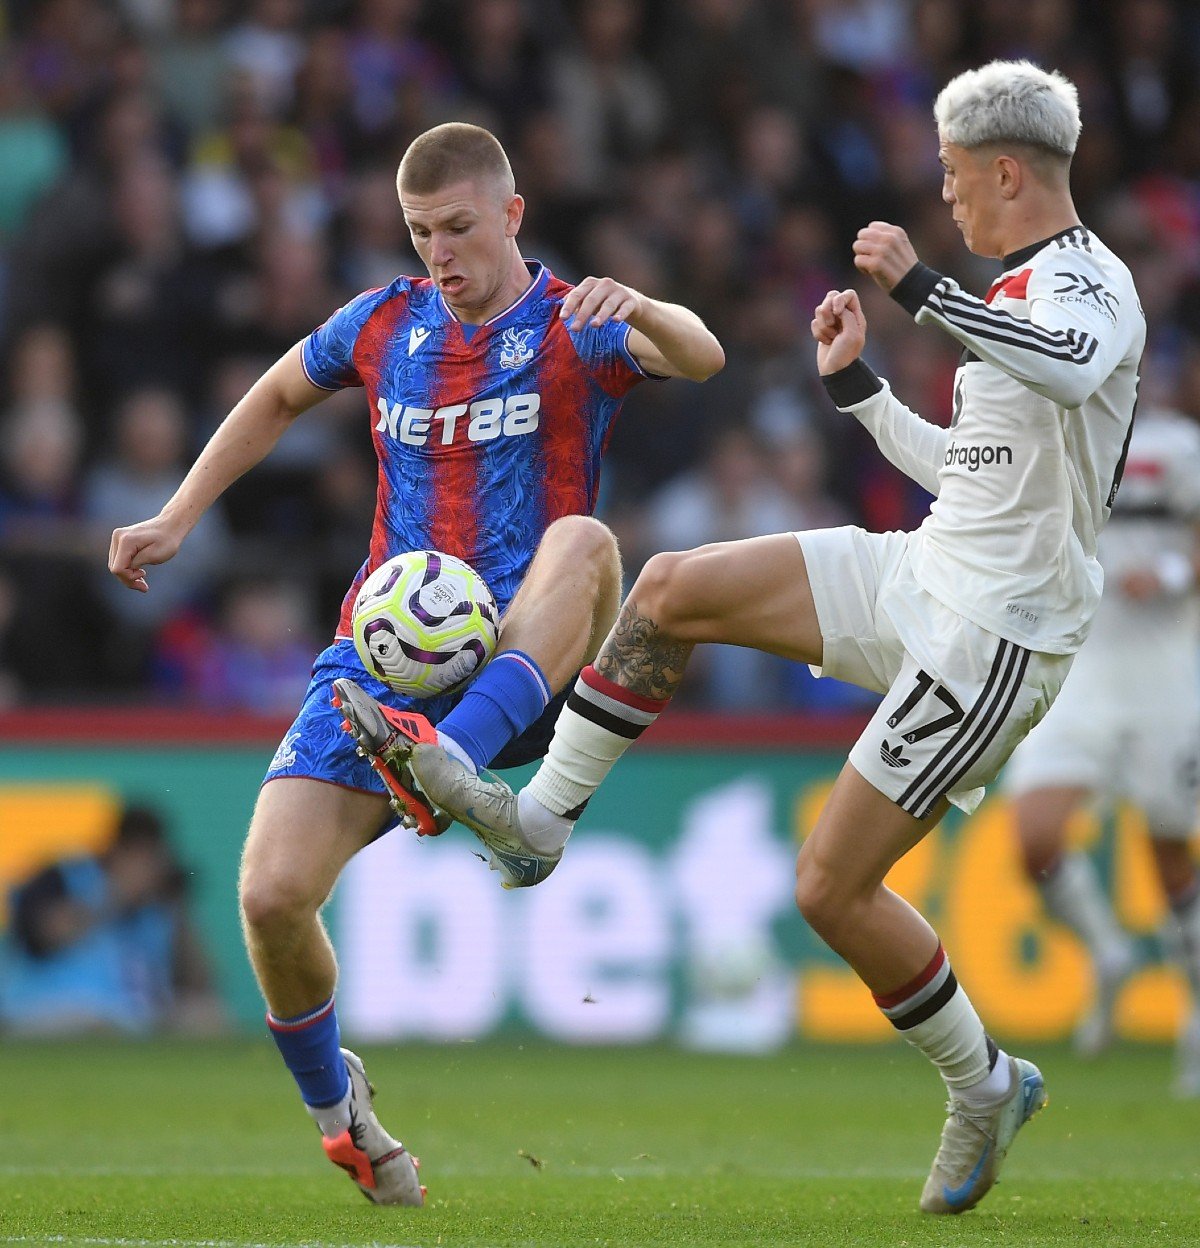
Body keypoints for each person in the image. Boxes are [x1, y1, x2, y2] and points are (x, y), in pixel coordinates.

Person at [343, 62, 1145, 1214]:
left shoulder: (1089, 287)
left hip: (999, 629)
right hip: (930, 566)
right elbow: (978, 478)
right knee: (668, 589)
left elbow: (1067, 376)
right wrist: (860, 390)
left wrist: (918, 289)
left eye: (956, 175)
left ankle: (985, 1082)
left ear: (1007, 171)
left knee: (829, 887)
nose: (945, 192)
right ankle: (539, 825)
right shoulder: (1013, 293)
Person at [108, 121, 724, 1206]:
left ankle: (459, 767)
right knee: (269, 897)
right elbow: (277, 395)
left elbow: (703, 356)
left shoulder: (575, 321)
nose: (442, 251)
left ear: (511, 215)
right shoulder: (386, 320)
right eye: (421, 231)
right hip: (386, 656)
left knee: (586, 541)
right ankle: (341, 1117)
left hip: (529, 645)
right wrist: (177, 514)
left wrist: (644, 305)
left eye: (459, 227)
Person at [1003, 403, 1200, 1093]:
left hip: (1165, 672)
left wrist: (1173, 576)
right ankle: (1107, 950)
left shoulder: (1174, 445)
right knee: (1033, 838)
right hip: (1079, 669)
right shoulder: (1044, 432)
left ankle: (1196, 1015)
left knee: (1171, 852)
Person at [0, 805, 222, 1035]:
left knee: (207, 1016)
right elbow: (44, 935)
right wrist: (116, 897)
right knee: (94, 1024)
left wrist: (179, 910)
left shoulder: (158, 901)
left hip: (134, 1018)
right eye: (140, 858)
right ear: (118, 850)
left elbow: (202, 983)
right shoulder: (63, 875)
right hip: (49, 1009)